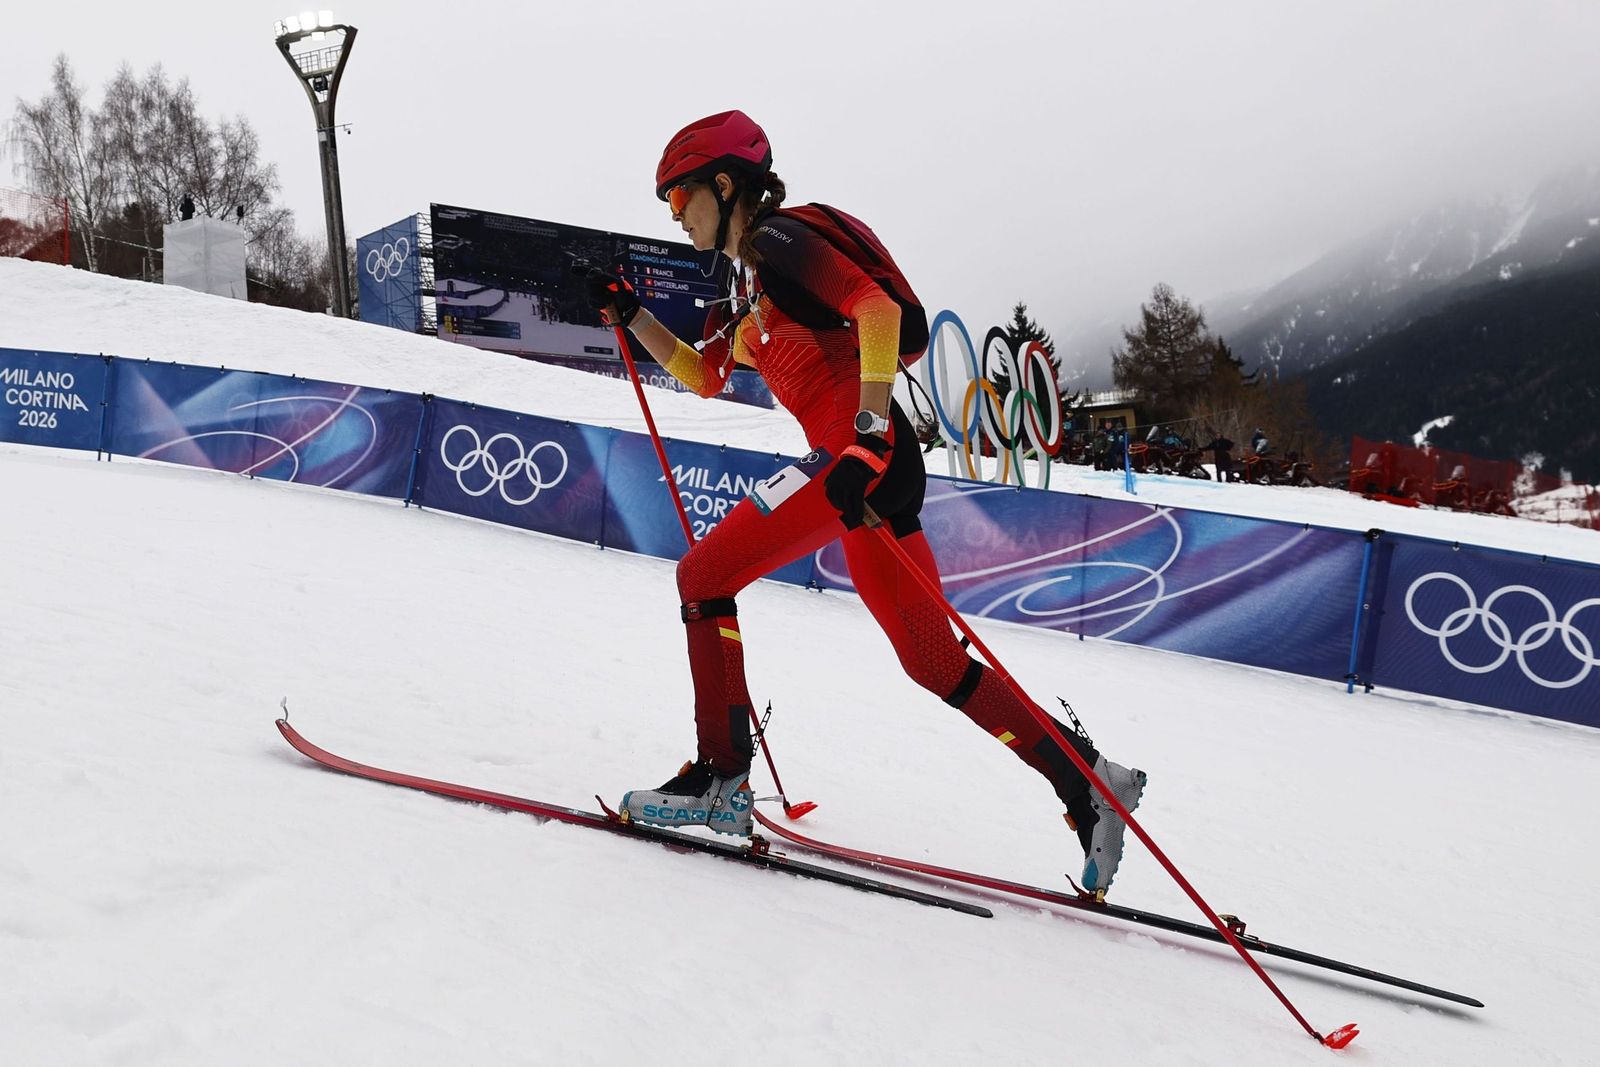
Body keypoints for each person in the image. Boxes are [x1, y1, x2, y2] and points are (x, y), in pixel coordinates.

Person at [584, 110, 1147, 897]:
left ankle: (720, 779)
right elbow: (705, 373)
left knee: (701, 577)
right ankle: (1087, 779)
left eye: (679, 199)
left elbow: (876, 310)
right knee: (934, 660)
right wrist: (630, 312)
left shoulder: (778, 243)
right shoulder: (755, 291)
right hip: (866, 468)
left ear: (723, 183)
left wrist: (867, 437)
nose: (677, 218)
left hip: (858, 460)